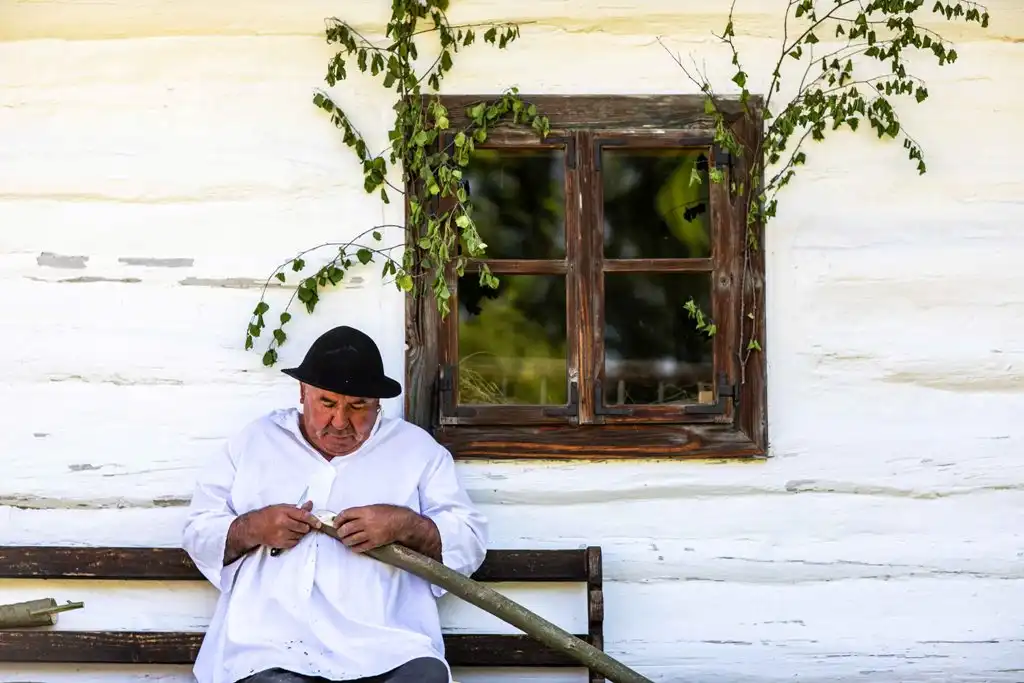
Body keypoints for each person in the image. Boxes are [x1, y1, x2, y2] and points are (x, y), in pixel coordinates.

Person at [182, 325, 488, 683]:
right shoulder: (254, 442)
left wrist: (406, 525)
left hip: (388, 647)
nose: (340, 421)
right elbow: (199, 530)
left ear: (378, 403)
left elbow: (469, 540)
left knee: (426, 677)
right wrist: (254, 528)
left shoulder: (417, 451)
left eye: (358, 406)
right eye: (327, 403)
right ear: (302, 392)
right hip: (270, 646)